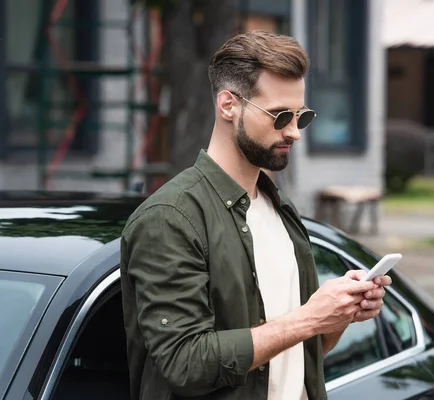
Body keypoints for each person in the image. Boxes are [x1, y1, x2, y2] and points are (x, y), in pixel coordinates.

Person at [120, 30, 391, 400]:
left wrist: (337, 316)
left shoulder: (279, 209)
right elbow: (184, 363)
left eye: (302, 116)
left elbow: (293, 353)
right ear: (228, 105)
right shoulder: (170, 218)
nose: (294, 133)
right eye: (280, 117)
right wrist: (310, 317)